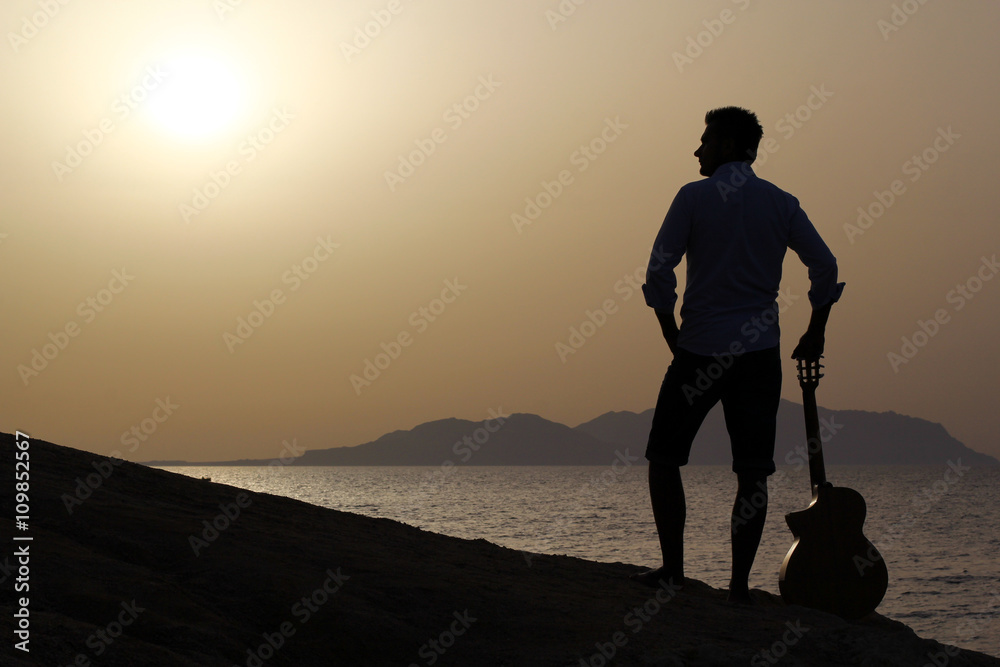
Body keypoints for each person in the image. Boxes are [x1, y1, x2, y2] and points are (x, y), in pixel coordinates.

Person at [632, 106, 844, 602]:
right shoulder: (781, 202)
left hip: (700, 348)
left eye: (704, 140)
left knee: (664, 458)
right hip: (758, 353)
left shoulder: (693, 197)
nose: (697, 149)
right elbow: (826, 266)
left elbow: (658, 272)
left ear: (727, 145)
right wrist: (816, 331)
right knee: (752, 471)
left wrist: (671, 335)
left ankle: (673, 570)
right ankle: (740, 587)